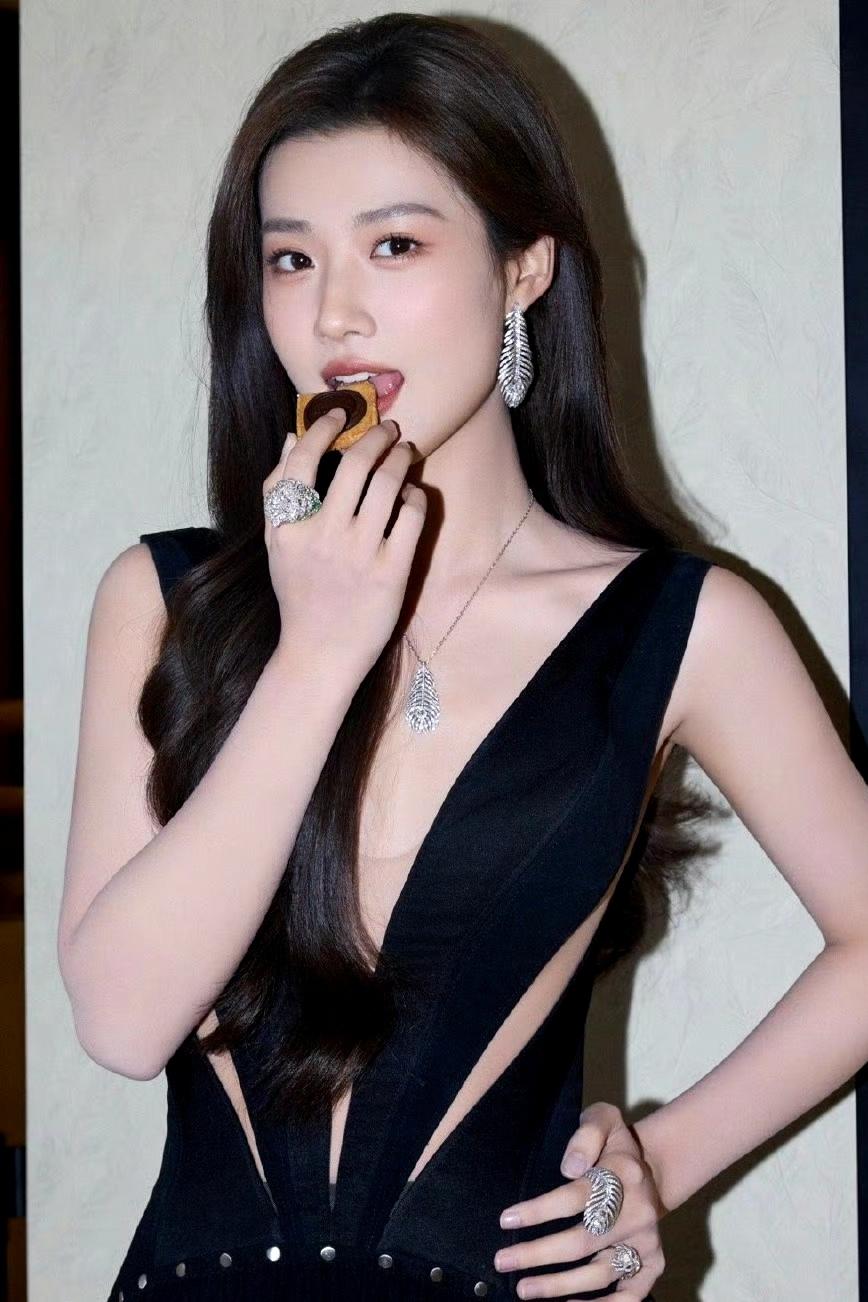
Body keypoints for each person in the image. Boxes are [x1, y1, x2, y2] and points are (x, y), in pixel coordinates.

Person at [57, 13, 868, 1302]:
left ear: (524, 266)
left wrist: (663, 1158)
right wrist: (320, 648)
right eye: (290, 257)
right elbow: (119, 1018)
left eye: (396, 244)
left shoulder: (679, 625)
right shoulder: (166, 599)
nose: (334, 311)